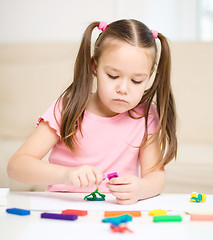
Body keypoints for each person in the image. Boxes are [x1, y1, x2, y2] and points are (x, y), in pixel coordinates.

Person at [7, 19, 177, 205]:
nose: (123, 88)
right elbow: (17, 166)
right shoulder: (68, 107)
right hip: (62, 208)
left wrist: (141, 188)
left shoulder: (145, 115)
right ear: (94, 66)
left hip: (115, 212)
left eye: (136, 80)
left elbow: (155, 176)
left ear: (150, 76)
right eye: (113, 76)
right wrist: (66, 174)